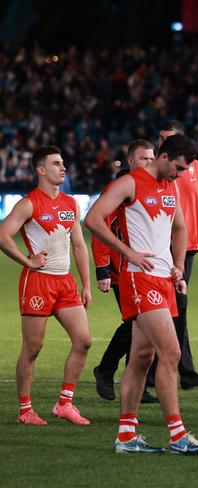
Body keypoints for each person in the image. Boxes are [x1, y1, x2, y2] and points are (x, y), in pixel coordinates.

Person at [85, 134, 198, 454]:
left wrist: (179, 265)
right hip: (138, 279)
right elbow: (92, 219)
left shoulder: (170, 187)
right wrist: (127, 252)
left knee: (143, 357)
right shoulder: (130, 183)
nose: (181, 175)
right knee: (171, 353)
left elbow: (180, 227)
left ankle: (126, 437)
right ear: (164, 156)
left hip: (163, 280)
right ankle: (178, 436)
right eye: (179, 168)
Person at [0, 146, 92, 425]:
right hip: (37, 282)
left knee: (84, 341)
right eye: (56, 163)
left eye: (63, 163)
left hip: (65, 282)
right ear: (41, 170)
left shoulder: (69, 203)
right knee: (33, 348)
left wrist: (86, 284)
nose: (63, 168)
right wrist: (26, 261)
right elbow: (3, 235)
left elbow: (78, 244)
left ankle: (64, 403)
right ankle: (25, 410)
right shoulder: (29, 203)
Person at [147, 121, 198, 390]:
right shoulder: (154, 169)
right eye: (161, 137)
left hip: (188, 246)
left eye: (169, 138)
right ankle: (175, 369)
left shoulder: (195, 168)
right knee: (169, 306)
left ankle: (172, 368)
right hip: (161, 247)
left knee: (174, 306)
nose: (163, 142)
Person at [92, 140, 159, 404]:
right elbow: (100, 228)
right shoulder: (118, 188)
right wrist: (102, 269)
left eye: (152, 158)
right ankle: (106, 370)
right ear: (131, 161)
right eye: (144, 159)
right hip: (122, 270)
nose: (149, 163)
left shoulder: (154, 186)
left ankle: (134, 385)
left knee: (142, 327)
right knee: (137, 324)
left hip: (149, 268)